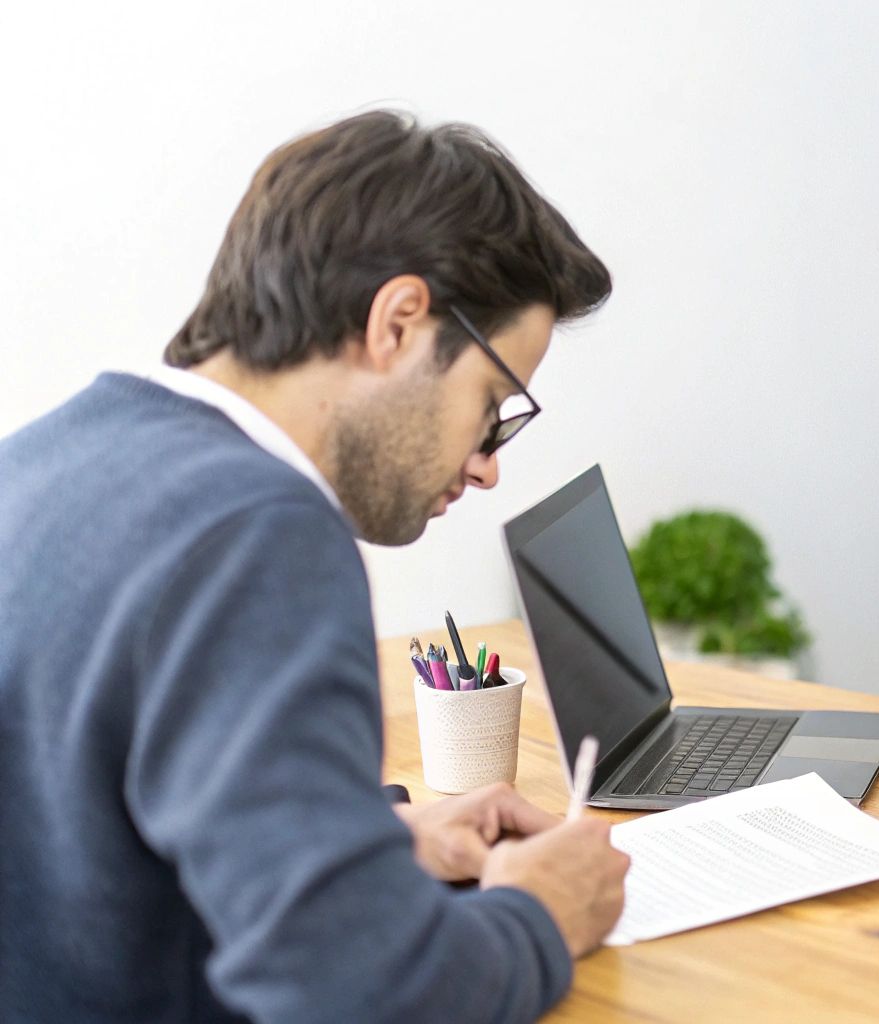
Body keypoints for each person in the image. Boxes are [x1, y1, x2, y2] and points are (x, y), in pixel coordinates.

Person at [0, 111, 630, 1022]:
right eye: (494, 402)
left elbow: (87, 853)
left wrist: (366, 842)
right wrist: (541, 913)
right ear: (399, 322)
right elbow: (358, 994)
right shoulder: (257, 536)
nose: (489, 463)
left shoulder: (42, 461)